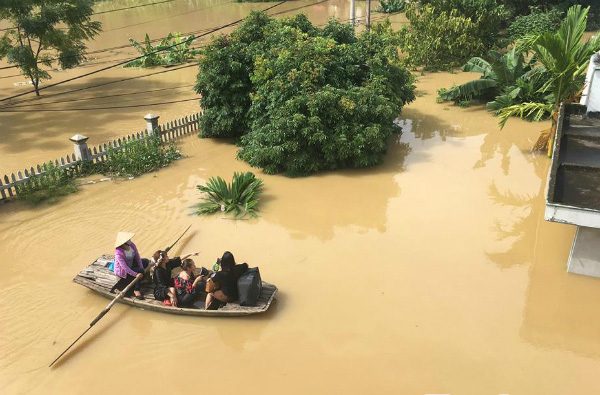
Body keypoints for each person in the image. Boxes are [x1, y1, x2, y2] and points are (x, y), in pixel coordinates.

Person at [112, 232, 147, 300]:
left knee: (145, 261)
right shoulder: (119, 253)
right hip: (123, 271)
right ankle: (136, 290)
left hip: (131, 264)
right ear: (123, 244)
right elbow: (124, 267)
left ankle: (141, 276)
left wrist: (141, 267)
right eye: (127, 240)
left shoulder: (132, 245)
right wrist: (135, 274)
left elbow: (137, 257)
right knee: (140, 271)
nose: (129, 241)